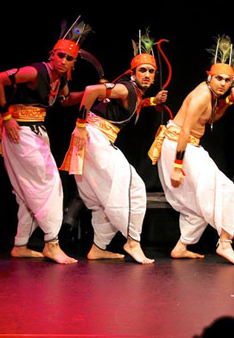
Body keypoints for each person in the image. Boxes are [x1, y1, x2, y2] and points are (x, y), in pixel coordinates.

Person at [0, 18, 95, 264]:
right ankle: (51, 243)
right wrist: (6, 116)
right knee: (48, 186)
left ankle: (21, 244)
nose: (64, 61)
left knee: (28, 191)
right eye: (60, 56)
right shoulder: (36, 71)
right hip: (20, 132)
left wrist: (92, 92)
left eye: (69, 59)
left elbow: (65, 100)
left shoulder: (62, 79)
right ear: (52, 55)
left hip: (36, 132)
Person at [61, 30, 168, 264]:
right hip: (93, 136)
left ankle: (99, 247)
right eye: (143, 70)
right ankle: (132, 242)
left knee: (101, 199)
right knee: (135, 187)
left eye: (151, 71)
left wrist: (152, 101)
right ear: (133, 73)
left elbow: (130, 107)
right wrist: (80, 125)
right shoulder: (125, 88)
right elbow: (90, 91)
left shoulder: (136, 94)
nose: (147, 75)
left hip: (94, 139)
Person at [148, 35, 234, 266]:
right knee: (223, 187)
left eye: (227, 80)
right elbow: (185, 130)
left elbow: (211, 119)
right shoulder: (203, 94)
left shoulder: (213, 94)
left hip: (190, 146)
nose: (223, 83)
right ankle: (225, 243)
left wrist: (228, 102)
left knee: (197, 202)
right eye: (218, 78)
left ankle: (181, 247)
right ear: (209, 77)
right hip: (179, 146)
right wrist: (177, 166)